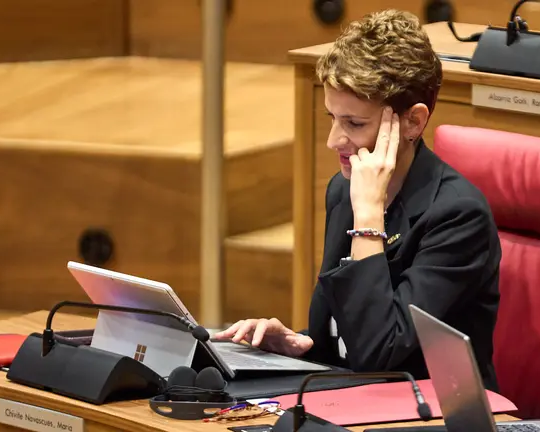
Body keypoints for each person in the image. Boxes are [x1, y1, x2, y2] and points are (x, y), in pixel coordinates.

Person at [214, 9, 502, 391]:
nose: (334, 140)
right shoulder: (345, 189)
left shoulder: (457, 216)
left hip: (429, 411)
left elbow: (380, 352)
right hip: (357, 398)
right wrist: (300, 345)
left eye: (354, 123)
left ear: (414, 122)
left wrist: (368, 217)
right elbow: (346, 337)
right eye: (332, 117)